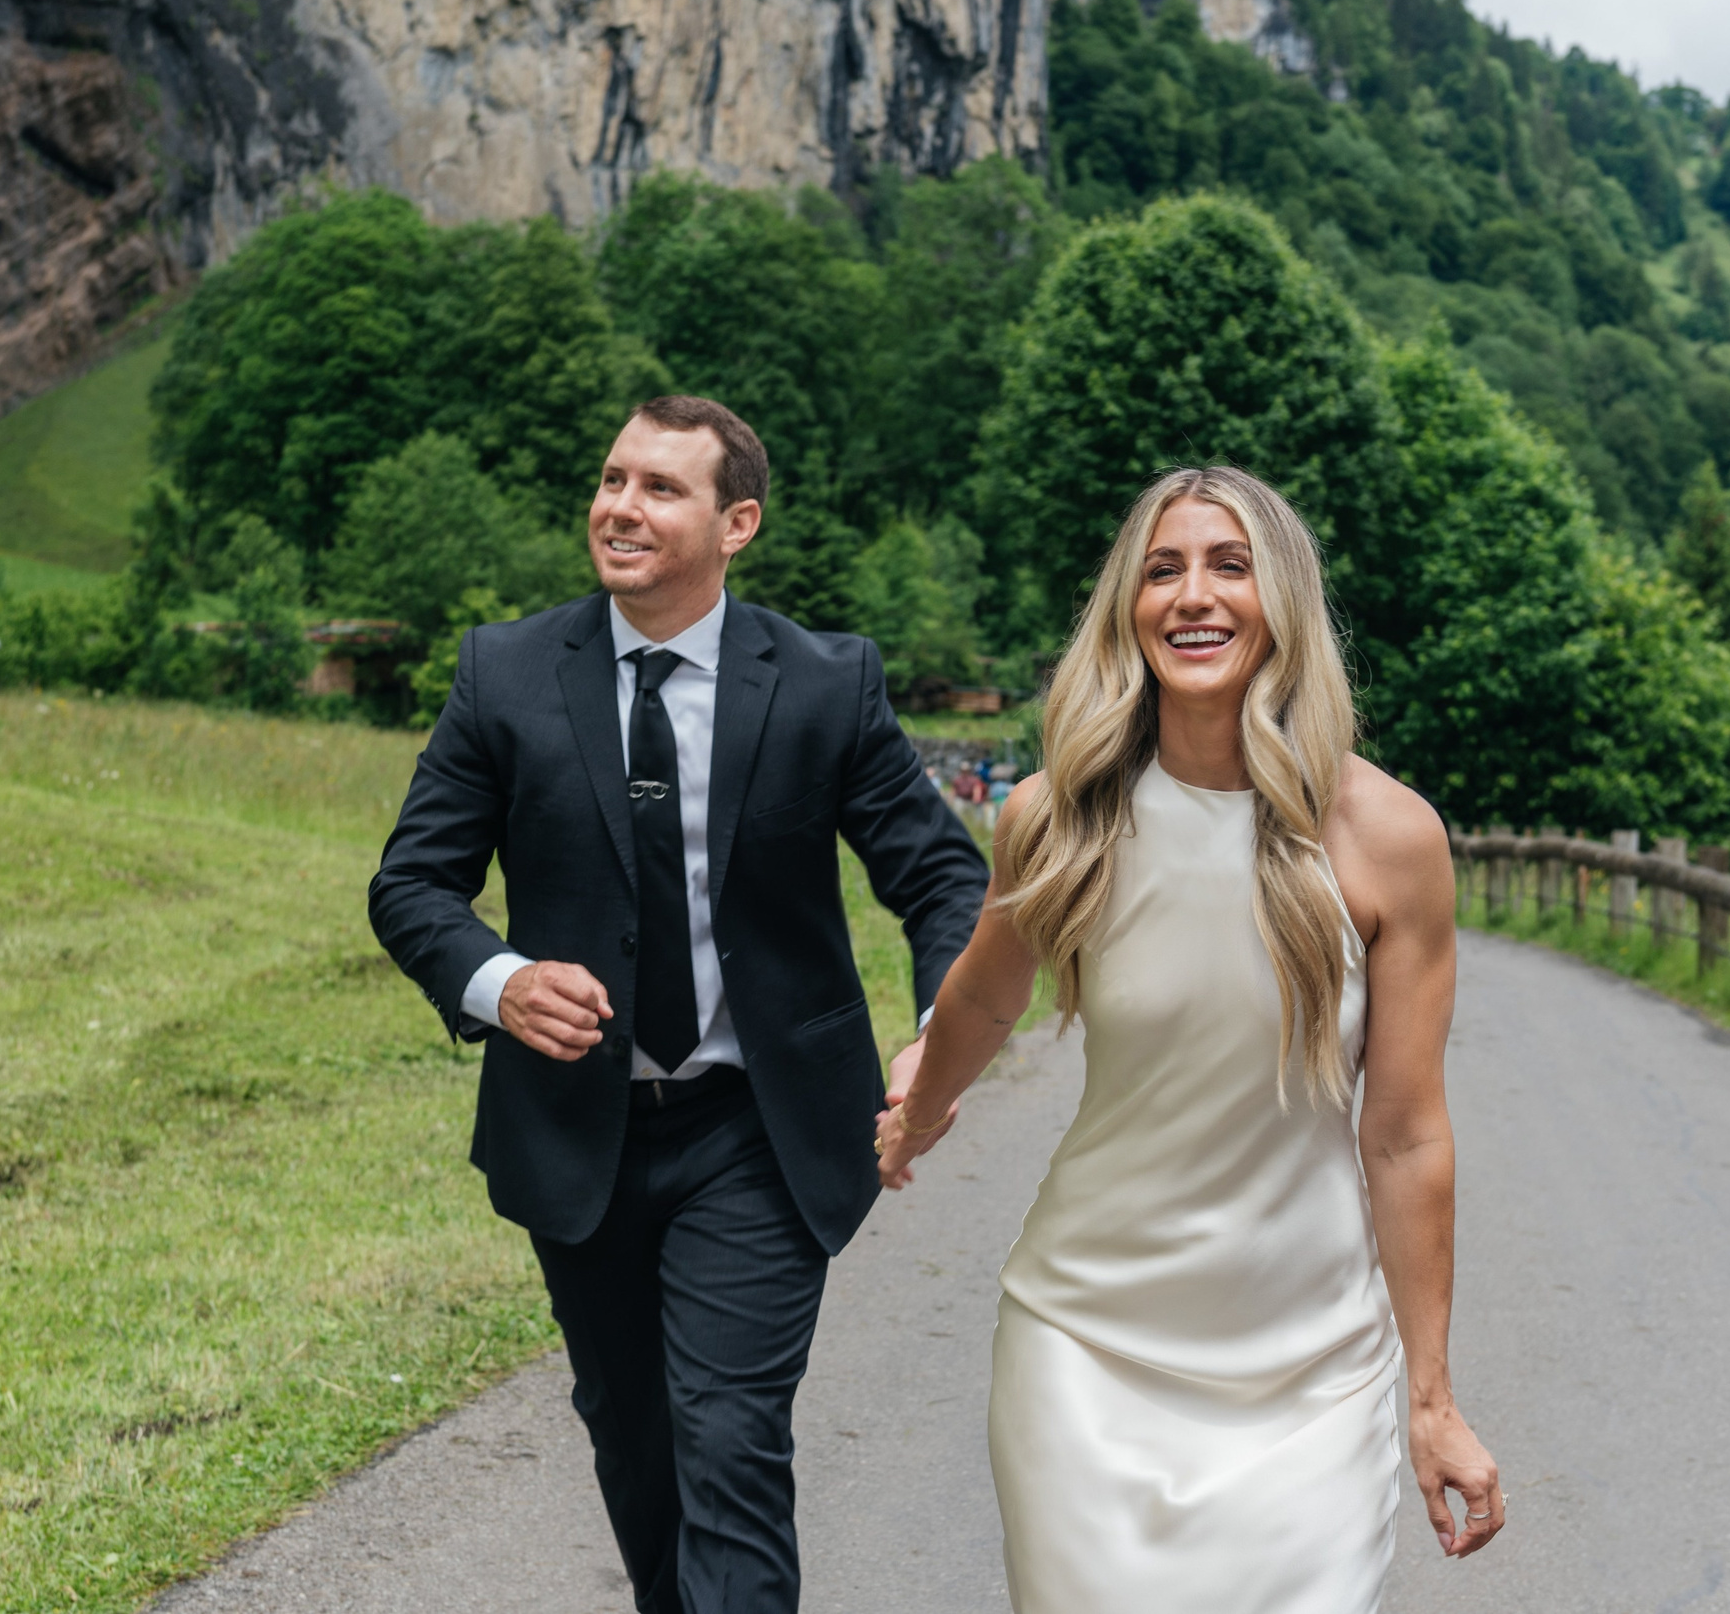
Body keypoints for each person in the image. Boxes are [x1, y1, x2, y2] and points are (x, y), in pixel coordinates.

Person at [368, 394, 989, 1614]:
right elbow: (413, 883)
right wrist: (500, 983)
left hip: (760, 1129)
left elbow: (939, 877)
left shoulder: (824, 681)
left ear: (735, 520)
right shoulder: (505, 671)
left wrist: (936, 1041)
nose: (620, 506)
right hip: (575, 1132)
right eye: (611, 478)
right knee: (637, 1443)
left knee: (729, 1438)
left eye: (660, 487)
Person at [875, 466, 1502, 1611]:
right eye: (1162, 568)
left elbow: (1406, 1134)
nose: (1193, 594)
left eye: (1230, 565)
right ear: (1127, 606)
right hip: (1087, 1345)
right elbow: (983, 997)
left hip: (1314, 1372)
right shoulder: (1055, 817)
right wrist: (919, 1103)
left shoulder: (1386, 836)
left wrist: (1433, 1395)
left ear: (1284, 603)